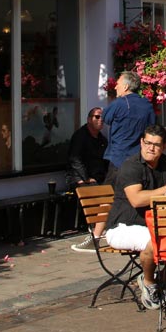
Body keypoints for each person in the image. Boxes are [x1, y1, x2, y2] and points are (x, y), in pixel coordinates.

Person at [104, 124, 166, 310]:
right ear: (141, 142)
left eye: (156, 144)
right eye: (148, 143)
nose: (151, 148)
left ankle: (163, 281)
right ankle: (149, 283)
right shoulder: (131, 166)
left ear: (164, 147)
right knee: (154, 241)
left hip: (154, 224)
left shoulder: (165, 166)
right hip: (123, 227)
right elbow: (136, 200)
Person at [102, 71, 156, 182]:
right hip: (140, 160)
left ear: (126, 87)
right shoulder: (147, 105)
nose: (116, 87)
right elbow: (152, 128)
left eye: (118, 84)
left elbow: (105, 118)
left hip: (119, 160)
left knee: (111, 195)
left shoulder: (118, 103)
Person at [68, 107, 109, 252]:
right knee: (94, 193)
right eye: (97, 117)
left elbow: (105, 161)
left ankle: (101, 228)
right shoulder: (80, 136)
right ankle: (94, 229)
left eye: (102, 118)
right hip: (81, 178)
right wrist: (85, 179)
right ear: (89, 119)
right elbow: (75, 159)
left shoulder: (102, 139)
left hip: (98, 177)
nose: (100, 120)